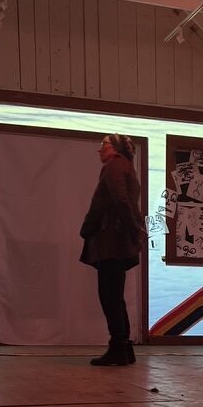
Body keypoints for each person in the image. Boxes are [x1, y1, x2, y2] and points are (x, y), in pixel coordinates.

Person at [80, 134, 144, 366]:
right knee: (115, 295)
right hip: (119, 240)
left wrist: (132, 229)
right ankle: (123, 348)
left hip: (111, 241)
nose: (99, 150)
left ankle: (119, 348)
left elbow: (120, 200)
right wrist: (134, 231)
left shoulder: (114, 166)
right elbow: (124, 201)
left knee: (109, 295)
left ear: (114, 148)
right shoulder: (126, 166)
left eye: (103, 145)